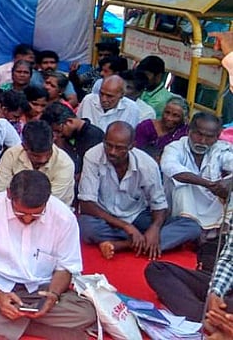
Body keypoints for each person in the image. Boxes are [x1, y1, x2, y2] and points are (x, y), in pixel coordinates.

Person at [0, 170, 96, 340]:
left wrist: (53, 296)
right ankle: (48, 331)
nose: (27, 220)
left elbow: (65, 269)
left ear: (47, 201)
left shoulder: (64, 218)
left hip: (41, 290)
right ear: (9, 195)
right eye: (20, 213)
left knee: (86, 312)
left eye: (35, 215)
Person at [79, 121, 201, 260]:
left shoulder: (147, 164)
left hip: (137, 216)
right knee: (85, 227)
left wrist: (154, 229)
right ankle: (144, 243)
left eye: (119, 148)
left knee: (192, 227)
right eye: (108, 145)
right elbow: (86, 204)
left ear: (132, 146)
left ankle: (124, 244)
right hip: (105, 218)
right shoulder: (93, 155)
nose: (112, 151)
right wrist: (126, 227)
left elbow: (159, 205)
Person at [160, 112, 233, 233]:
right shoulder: (175, 147)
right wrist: (210, 185)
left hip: (210, 201)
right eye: (198, 134)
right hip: (177, 204)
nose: (202, 141)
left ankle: (221, 231)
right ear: (189, 130)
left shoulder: (220, 149)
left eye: (209, 137)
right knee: (183, 187)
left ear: (217, 137)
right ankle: (188, 227)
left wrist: (229, 182)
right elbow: (171, 168)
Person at [0, 120, 75, 206]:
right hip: (11, 207)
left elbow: (50, 201)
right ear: (24, 146)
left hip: (52, 211)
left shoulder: (65, 164)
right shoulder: (11, 155)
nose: (43, 160)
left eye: (48, 154)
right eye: (36, 156)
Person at [40, 102, 104, 177]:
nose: (57, 135)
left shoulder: (94, 136)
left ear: (70, 121)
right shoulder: (69, 136)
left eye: (58, 131)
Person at [135, 96, 189, 160]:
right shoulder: (146, 127)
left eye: (175, 115)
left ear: (183, 118)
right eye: (167, 112)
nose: (169, 118)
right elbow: (136, 150)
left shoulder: (184, 133)